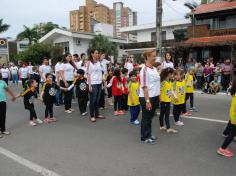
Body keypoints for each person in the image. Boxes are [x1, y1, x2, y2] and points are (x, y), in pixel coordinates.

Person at [139, 50, 160, 144]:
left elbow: (156, 83)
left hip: (154, 96)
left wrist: (158, 96)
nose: (154, 58)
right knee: (146, 117)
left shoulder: (154, 68)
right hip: (147, 97)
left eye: (155, 56)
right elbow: (144, 86)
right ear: (147, 56)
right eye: (153, 56)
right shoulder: (144, 70)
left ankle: (149, 134)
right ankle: (144, 137)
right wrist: (147, 101)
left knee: (150, 117)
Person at [217, 77, 236, 157]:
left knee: (231, 133)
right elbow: (233, 110)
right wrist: (234, 120)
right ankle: (222, 149)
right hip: (235, 118)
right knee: (231, 135)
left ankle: (225, 133)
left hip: (233, 118)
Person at [87, 49, 105, 122]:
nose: (98, 54)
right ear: (92, 54)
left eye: (98, 53)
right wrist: (90, 85)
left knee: (97, 100)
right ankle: (92, 115)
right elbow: (88, 74)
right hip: (93, 84)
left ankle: (97, 114)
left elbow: (102, 73)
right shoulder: (89, 63)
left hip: (99, 83)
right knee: (93, 100)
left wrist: (103, 82)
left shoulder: (99, 62)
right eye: (96, 53)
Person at [159, 68, 177, 133]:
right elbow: (159, 90)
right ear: (169, 74)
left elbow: (171, 90)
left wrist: (175, 97)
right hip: (164, 101)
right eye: (172, 74)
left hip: (168, 100)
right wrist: (160, 99)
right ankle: (164, 126)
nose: (173, 76)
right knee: (163, 114)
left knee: (166, 114)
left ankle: (165, 127)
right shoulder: (164, 82)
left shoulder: (170, 82)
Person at [0, 73, 16, 138]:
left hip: (3, 101)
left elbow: (8, 90)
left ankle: (3, 129)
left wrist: (13, 96)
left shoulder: (2, 82)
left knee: (3, 116)